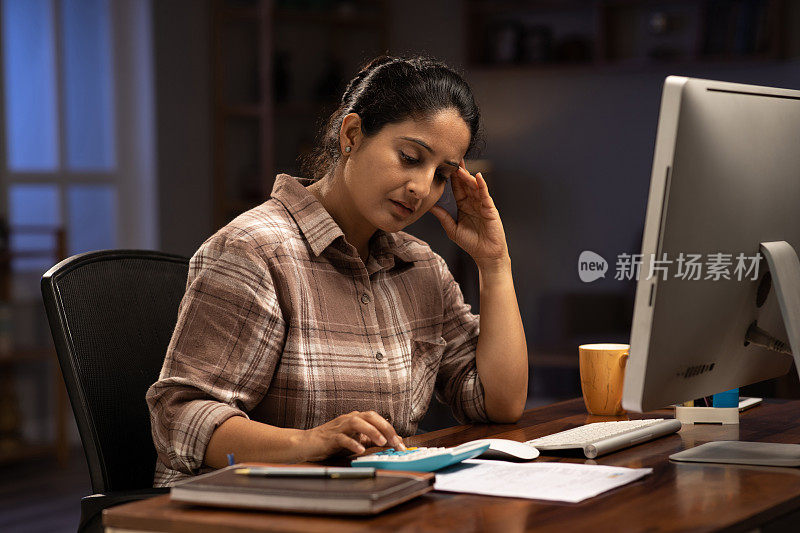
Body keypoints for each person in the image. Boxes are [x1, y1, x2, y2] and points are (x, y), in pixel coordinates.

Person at [146, 55, 528, 486]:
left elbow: (499, 404)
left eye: (441, 174)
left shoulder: (421, 267)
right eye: (409, 157)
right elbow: (180, 418)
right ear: (351, 135)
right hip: (247, 510)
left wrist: (494, 264)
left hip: (372, 503)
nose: (422, 188)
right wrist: (313, 442)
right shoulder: (254, 251)